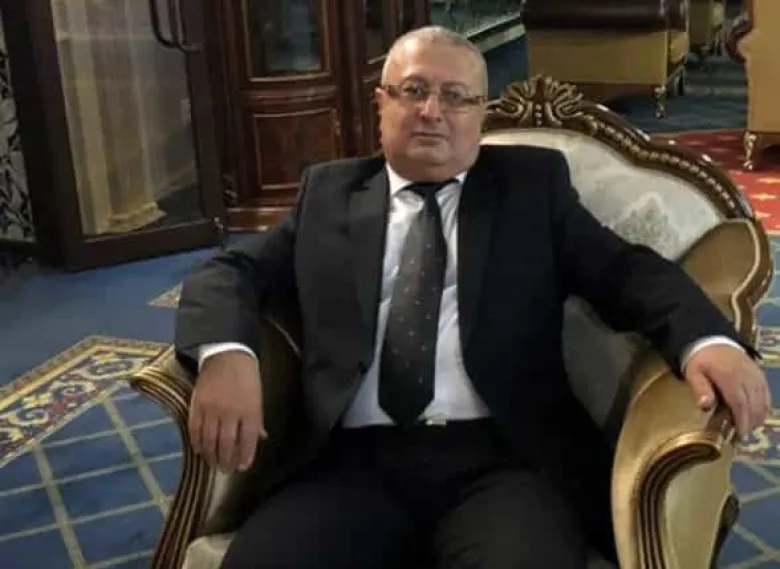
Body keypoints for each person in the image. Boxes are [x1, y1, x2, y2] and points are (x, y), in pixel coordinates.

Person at [174, 26, 771, 569]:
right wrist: (228, 355)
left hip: (503, 460)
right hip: (350, 462)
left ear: (481, 112)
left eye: (456, 97)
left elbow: (624, 272)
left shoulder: (531, 189)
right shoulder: (329, 194)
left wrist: (704, 340)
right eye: (413, 90)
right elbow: (230, 271)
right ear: (380, 103)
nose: (432, 111)